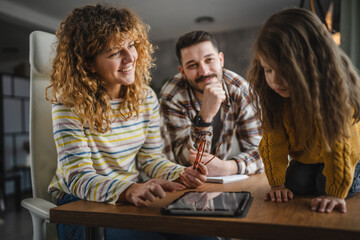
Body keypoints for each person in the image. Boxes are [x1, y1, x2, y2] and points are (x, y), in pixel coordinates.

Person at [46, 4, 213, 240]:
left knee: (205, 235)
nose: (130, 58)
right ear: (88, 64)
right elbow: (78, 177)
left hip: (129, 200)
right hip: (80, 208)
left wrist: (180, 173)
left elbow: (150, 159)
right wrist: (128, 189)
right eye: (115, 53)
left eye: (131, 45)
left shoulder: (145, 97)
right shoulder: (69, 104)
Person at [247, 8, 360, 214]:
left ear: (312, 64)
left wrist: (335, 194)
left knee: (331, 185)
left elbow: (341, 147)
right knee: (296, 185)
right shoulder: (274, 95)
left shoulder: (335, 93)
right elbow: (274, 141)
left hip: (348, 153)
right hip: (308, 157)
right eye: (268, 69)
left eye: (285, 71)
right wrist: (277, 184)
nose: (275, 81)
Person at [159, 31, 263, 177]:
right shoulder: (172, 96)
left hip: (224, 179)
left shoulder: (239, 89)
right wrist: (204, 117)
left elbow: (263, 151)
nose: (204, 71)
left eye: (209, 60)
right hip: (185, 186)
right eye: (192, 65)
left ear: (221, 59)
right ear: (182, 72)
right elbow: (181, 163)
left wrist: (228, 167)